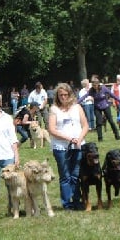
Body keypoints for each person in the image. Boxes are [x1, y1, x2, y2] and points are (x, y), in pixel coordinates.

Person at [47, 83, 89, 211]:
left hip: (77, 145)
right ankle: (67, 203)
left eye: (66, 94)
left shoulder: (77, 107)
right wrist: (69, 139)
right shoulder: (54, 109)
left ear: (70, 95)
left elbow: (85, 125)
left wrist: (79, 139)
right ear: (57, 96)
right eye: (61, 95)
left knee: (75, 174)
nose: (63, 97)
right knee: (65, 175)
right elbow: (52, 129)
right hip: (61, 147)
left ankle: (77, 201)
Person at [78, 77, 120, 141]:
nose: (94, 87)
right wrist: (77, 103)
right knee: (99, 122)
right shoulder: (91, 90)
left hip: (105, 106)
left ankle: (117, 136)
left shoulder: (104, 88)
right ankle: (100, 138)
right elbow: (84, 97)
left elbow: (112, 95)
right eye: (93, 85)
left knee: (111, 121)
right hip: (97, 107)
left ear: (98, 84)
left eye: (95, 85)